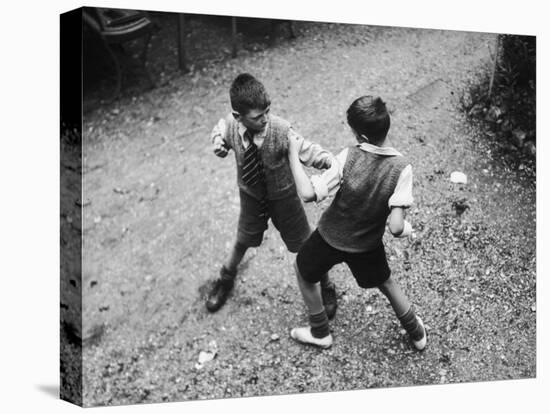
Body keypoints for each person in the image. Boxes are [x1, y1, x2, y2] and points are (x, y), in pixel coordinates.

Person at [287, 95, 427, 351]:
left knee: (303, 272)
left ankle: (320, 331)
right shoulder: (402, 168)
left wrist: (294, 156)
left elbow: (308, 193)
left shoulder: (347, 157)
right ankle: (416, 333)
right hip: (366, 246)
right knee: (387, 283)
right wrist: (407, 229)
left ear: (360, 136)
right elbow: (396, 227)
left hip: (329, 237)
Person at [206, 73, 337, 317]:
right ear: (239, 117)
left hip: (284, 199)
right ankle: (226, 278)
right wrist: (217, 142)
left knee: (306, 245)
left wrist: (333, 162)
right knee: (243, 239)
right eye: (258, 116)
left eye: (268, 110)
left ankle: (326, 285)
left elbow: (309, 151)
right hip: (251, 198)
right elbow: (220, 128)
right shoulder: (231, 126)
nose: (265, 118)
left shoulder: (281, 130)